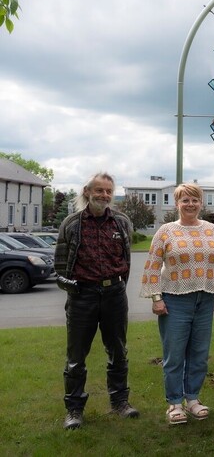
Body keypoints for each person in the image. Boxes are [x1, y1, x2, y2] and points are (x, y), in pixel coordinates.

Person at [54, 172, 139, 430]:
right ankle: (74, 409)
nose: (104, 195)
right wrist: (70, 287)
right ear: (87, 192)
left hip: (114, 294)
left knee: (118, 351)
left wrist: (118, 284)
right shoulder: (71, 223)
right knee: (76, 357)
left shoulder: (122, 222)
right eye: (99, 190)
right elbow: (59, 264)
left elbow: (126, 259)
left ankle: (120, 402)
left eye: (108, 191)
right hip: (82, 296)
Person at [140, 183, 214, 425]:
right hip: (174, 300)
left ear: (201, 203)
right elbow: (152, 266)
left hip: (205, 299)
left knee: (199, 354)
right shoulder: (166, 231)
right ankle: (175, 403)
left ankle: (193, 400)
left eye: (194, 200)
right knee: (175, 355)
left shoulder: (211, 229)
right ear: (177, 204)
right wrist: (156, 298)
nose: (190, 204)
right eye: (185, 200)